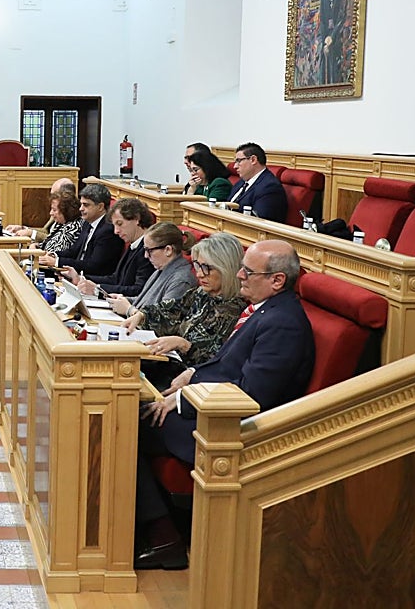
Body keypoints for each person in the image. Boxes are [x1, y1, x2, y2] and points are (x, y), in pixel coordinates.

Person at [133, 239, 314, 569]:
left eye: (249, 271)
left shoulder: (284, 323)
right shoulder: (265, 310)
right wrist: (190, 374)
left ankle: (163, 539)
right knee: (133, 406)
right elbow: (226, 365)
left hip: (230, 430)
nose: (240, 275)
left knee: (126, 423)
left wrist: (183, 400)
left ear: (277, 280)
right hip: (212, 407)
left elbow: (252, 396)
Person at [123, 232, 247, 384]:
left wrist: (184, 345)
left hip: (190, 382)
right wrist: (141, 315)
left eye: (207, 268)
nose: (200, 274)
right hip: (167, 366)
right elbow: (173, 310)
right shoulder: (201, 293)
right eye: (197, 266)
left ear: (226, 268)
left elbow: (216, 362)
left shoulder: (234, 310)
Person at [64, 197, 155, 297]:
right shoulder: (133, 244)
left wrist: (97, 289)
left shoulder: (149, 249)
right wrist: (80, 278)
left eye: (120, 224)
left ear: (136, 219)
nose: (116, 231)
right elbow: (115, 279)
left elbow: (138, 290)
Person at [106, 222, 198, 317]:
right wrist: (123, 300)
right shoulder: (160, 270)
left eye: (149, 251)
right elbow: (145, 302)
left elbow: (163, 319)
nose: (146, 256)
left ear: (168, 250)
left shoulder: (181, 280)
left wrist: (128, 310)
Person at [38, 183, 124, 276]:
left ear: (100, 207)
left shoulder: (108, 230)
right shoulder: (88, 222)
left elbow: (94, 266)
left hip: (91, 280)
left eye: (86, 205)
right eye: (81, 204)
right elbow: (74, 251)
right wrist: (54, 255)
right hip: (76, 274)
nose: (81, 209)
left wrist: (57, 262)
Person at [226, 142, 288, 222]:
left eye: (239, 161)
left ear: (253, 160)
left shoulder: (269, 187)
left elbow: (259, 221)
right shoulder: (242, 182)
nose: (235, 166)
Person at [5, 177, 76, 240]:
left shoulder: (72, 221)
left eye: (54, 195)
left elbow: (54, 240)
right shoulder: (56, 212)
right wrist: (23, 228)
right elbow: (46, 231)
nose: (51, 198)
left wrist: (31, 233)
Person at [35, 188, 83, 256]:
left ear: (65, 211)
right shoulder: (61, 223)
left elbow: (54, 255)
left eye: (54, 210)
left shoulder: (73, 228)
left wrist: (37, 251)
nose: (50, 213)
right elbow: (47, 244)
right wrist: (35, 246)